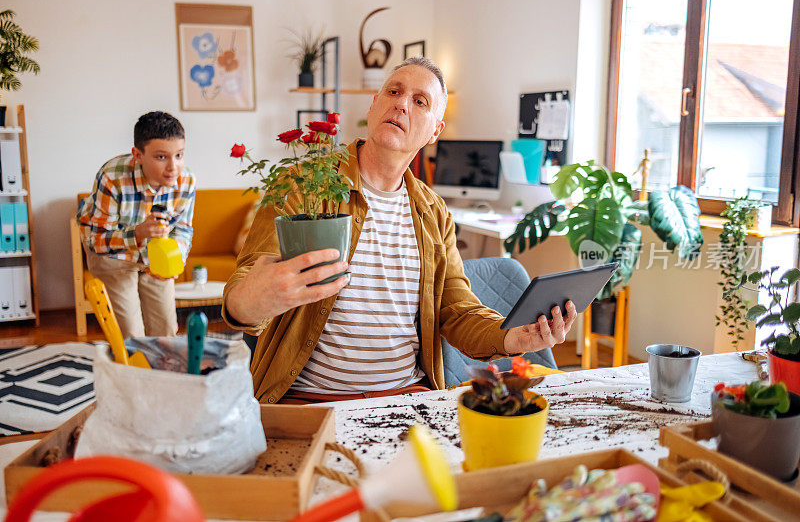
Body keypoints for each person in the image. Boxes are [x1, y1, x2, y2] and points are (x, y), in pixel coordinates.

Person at [224, 57, 577, 404]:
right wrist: (248, 302)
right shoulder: (303, 185)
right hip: (309, 401)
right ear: (374, 103)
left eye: (419, 101)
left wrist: (513, 337)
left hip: (408, 399)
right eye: (393, 92)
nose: (401, 104)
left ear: (435, 130)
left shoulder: (434, 212)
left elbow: (457, 312)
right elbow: (244, 290)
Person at [77, 111, 195, 338]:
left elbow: (183, 229)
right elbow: (97, 242)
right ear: (138, 155)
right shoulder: (112, 176)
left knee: (166, 332)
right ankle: (130, 371)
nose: (173, 167)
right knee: (131, 334)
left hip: (156, 255)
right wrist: (139, 233)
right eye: (161, 157)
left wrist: (177, 257)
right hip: (112, 254)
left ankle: (160, 373)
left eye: (179, 155)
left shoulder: (187, 180)